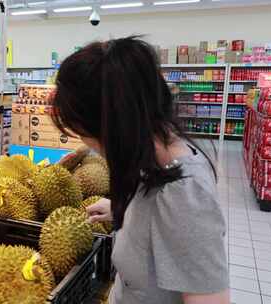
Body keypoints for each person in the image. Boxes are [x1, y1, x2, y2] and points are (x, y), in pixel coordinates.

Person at [51, 36, 229, 304]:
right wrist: (127, 211)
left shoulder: (186, 195)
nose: (86, 144)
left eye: (82, 132)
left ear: (112, 126)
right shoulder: (151, 162)